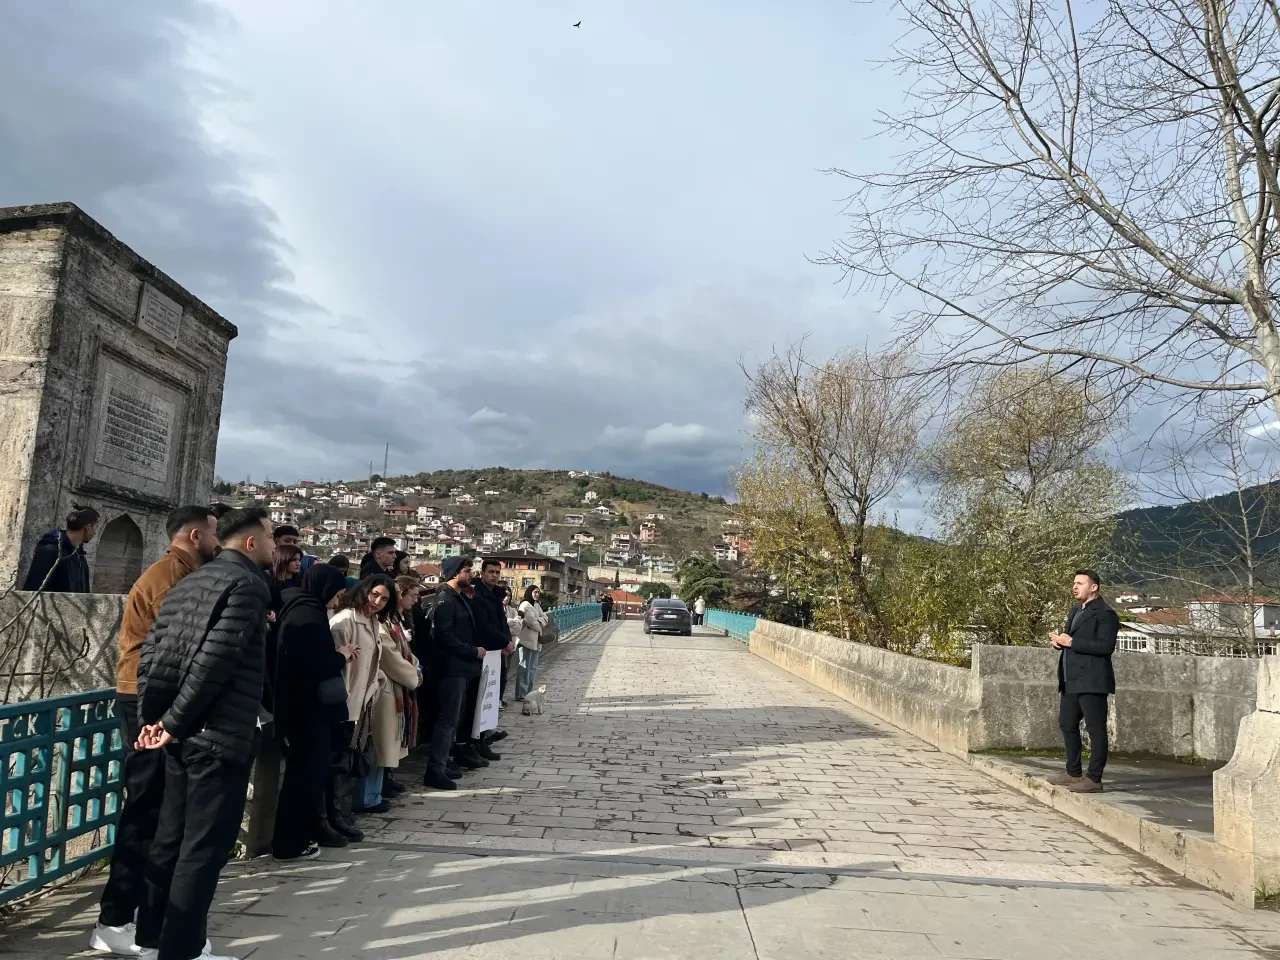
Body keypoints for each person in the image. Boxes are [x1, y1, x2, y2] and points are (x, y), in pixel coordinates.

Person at [131, 506, 274, 960]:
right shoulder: (248, 585)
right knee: (204, 847)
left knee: (170, 837)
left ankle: (152, 937)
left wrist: (154, 719)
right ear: (251, 543)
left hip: (180, 733)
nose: (274, 546)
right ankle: (184, 949)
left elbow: (152, 655)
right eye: (270, 538)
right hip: (216, 736)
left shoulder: (190, 580)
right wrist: (170, 723)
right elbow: (215, 661)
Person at [90, 506, 220, 958]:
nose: (219, 543)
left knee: (155, 811)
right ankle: (117, 919)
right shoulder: (170, 575)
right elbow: (179, 640)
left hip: (147, 695)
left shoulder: (180, 572)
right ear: (196, 534)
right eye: (216, 534)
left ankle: (130, 919)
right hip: (143, 698)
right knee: (147, 810)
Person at [270, 563, 355, 861]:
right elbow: (316, 666)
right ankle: (290, 843)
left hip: (302, 710)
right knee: (303, 780)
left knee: (305, 777)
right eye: (338, 593)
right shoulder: (307, 615)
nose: (338, 599)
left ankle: (295, 838)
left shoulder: (303, 609)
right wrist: (341, 656)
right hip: (306, 712)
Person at [1047, 569, 1119, 793]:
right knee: (1067, 724)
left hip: (1093, 680)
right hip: (1071, 679)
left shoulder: (1105, 614)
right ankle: (1073, 771)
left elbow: (1105, 647)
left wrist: (1071, 643)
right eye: (1074, 583)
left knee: (1095, 729)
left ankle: (1094, 778)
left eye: (1080, 583)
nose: (1075, 586)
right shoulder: (1076, 610)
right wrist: (1060, 642)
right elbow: (1073, 640)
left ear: (1094, 587)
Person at [330, 575, 396, 814]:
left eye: (384, 599)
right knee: (337, 763)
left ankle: (342, 811)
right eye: (375, 594)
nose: (377, 601)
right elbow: (336, 665)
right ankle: (334, 813)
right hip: (344, 702)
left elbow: (371, 662)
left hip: (362, 702)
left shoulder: (373, 622)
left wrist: (377, 682)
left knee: (351, 759)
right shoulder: (345, 620)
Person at [423, 557, 484, 791]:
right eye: (467, 571)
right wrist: (472, 651)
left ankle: (444, 761)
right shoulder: (445, 600)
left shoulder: (458, 597)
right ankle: (435, 769)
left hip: (462, 667)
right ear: (454, 573)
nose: (470, 575)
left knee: (455, 718)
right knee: (447, 720)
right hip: (451, 667)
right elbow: (445, 637)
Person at [460, 559, 516, 766]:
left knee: (492, 700)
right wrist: (504, 641)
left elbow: (501, 623)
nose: (494, 575)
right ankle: (470, 745)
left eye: (497, 572)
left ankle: (482, 741)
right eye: (491, 572)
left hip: (497, 654)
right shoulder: (478, 596)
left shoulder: (496, 595)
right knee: (478, 700)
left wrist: (507, 640)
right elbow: (483, 626)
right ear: (482, 573)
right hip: (484, 654)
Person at [376, 576, 424, 797]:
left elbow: (404, 650)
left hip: (398, 684)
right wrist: (413, 674)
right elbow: (390, 656)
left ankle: (384, 782)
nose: (415, 600)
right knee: (382, 743)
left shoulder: (395, 619)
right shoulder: (381, 622)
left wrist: (415, 667)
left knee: (390, 740)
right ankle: (373, 793)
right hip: (387, 686)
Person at [22, 503, 100, 593]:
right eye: (95, 528)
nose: (95, 533)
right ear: (88, 527)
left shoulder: (80, 557)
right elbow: (31, 590)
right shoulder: (49, 552)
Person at [515, 586, 548, 701]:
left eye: (538, 592)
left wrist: (539, 621)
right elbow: (531, 622)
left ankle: (528, 692)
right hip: (526, 641)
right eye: (535, 592)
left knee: (532, 668)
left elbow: (545, 617)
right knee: (524, 667)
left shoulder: (536, 605)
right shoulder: (525, 605)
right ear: (530, 592)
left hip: (536, 641)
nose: (537, 594)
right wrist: (540, 623)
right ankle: (521, 694)